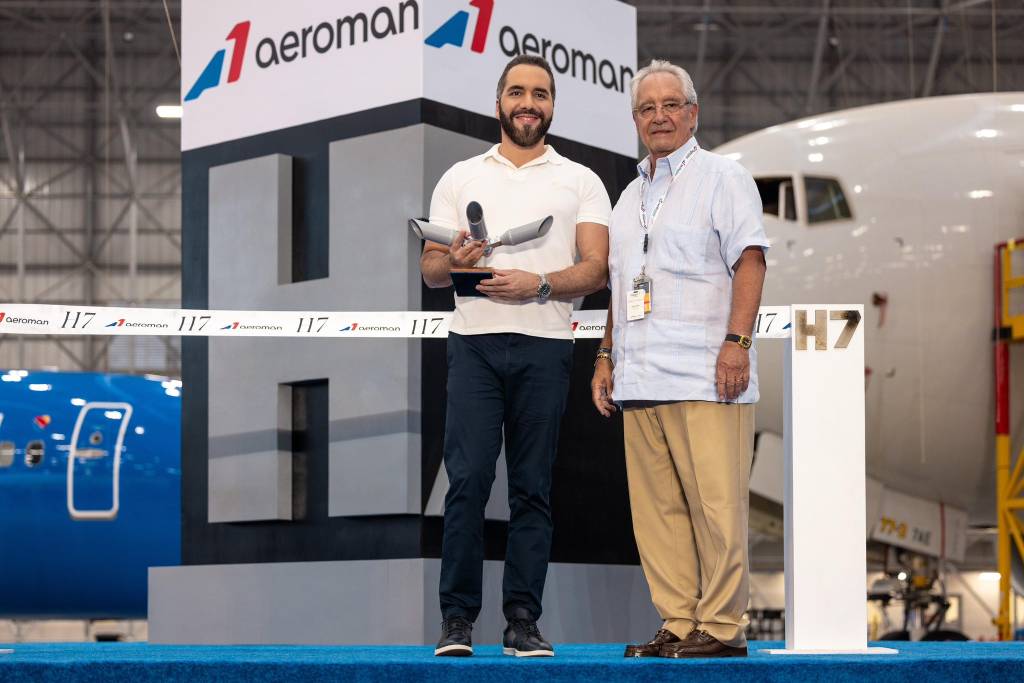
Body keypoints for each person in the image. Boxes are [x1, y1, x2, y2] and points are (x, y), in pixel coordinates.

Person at [421, 54, 611, 658]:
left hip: (546, 347)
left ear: (552, 105)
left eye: (540, 94)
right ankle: (456, 621)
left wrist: (541, 284)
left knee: (532, 490)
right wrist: (458, 261)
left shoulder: (581, 180)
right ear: (499, 102)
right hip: (474, 345)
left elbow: (596, 269)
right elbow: (431, 271)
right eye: (518, 92)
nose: (529, 103)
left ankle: (522, 622)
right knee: (468, 483)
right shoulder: (460, 177)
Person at [590, 59, 769, 659]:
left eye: (671, 105)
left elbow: (751, 259)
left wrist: (737, 344)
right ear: (636, 121)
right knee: (658, 514)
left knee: (717, 508)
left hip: (706, 375)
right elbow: (621, 284)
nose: (659, 116)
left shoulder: (724, 176)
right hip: (640, 378)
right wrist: (606, 355)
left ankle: (721, 627)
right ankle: (678, 620)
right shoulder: (628, 196)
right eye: (647, 108)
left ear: (693, 114)